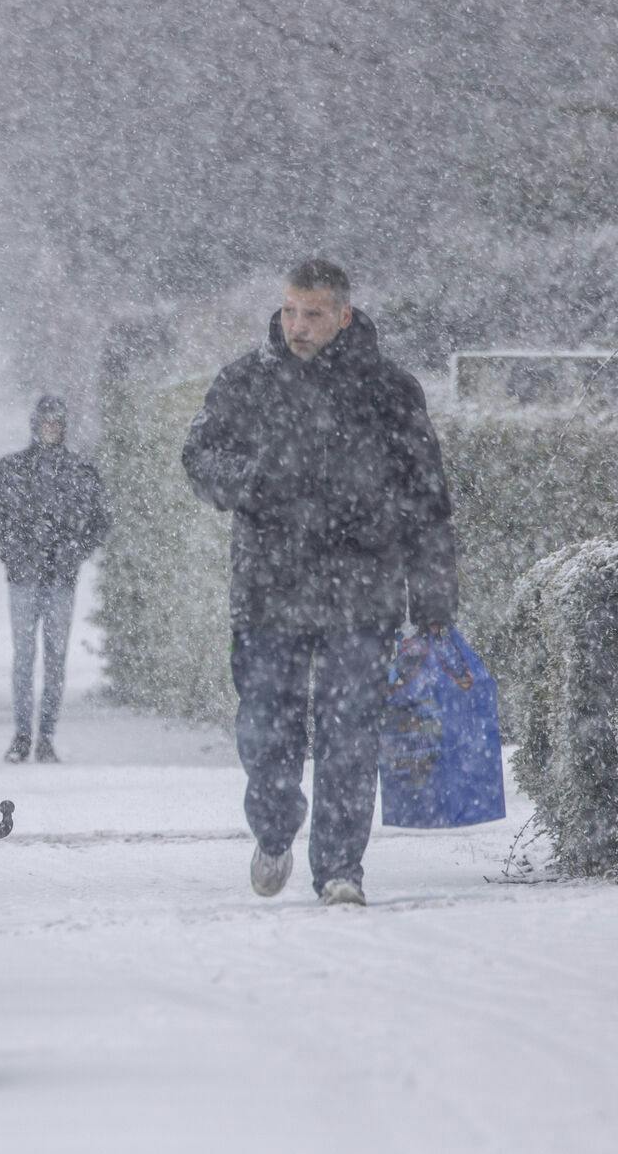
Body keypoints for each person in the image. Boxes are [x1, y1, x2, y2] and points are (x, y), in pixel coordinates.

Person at [181, 259, 458, 907]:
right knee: (265, 731)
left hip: (365, 589)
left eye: (312, 314)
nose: (297, 326)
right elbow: (199, 458)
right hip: (269, 590)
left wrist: (435, 596)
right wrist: (252, 481)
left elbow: (428, 498)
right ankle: (275, 826)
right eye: (289, 312)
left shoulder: (389, 391)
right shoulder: (246, 382)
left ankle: (340, 868)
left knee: (351, 733)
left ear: (344, 315)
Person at [0, 395, 112, 764]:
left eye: (56, 423)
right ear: (36, 424)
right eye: (46, 422)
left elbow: (101, 518)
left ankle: (46, 735)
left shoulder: (79, 470)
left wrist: (74, 552)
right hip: (25, 578)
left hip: (59, 579)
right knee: (25, 659)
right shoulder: (13, 469)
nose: (51, 429)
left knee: (54, 660)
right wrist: (13, 553)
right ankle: (23, 735)